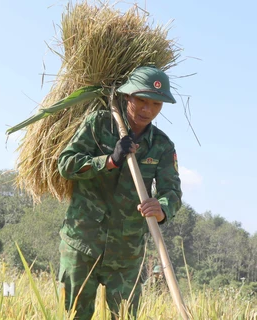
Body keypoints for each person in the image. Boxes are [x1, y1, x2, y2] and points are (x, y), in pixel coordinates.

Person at [57, 65, 182, 319]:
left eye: (156, 104)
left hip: (127, 255)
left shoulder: (162, 146)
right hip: (82, 245)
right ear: (127, 97)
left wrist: (161, 208)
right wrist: (109, 160)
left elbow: (172, 192)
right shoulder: (99, 124)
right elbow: (66, 164)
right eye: (142, 101)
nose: (148, 110)